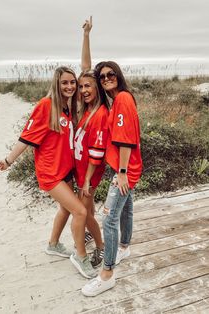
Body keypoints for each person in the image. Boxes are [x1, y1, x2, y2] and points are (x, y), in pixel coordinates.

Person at [0, 66, 97, 279]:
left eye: (72, 83)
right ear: (56, 84)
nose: (70, 87)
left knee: (66, 210)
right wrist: (8, 160)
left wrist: (86, 36)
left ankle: (53, 244)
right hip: (50, 173)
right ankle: (81, 256)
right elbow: (26, 137)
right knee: (80, 211)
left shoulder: (68, 106)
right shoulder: (46, 105)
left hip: (65, 170)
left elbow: (87, 66)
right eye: (64, 83)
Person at [81, 29, 142, 295]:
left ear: (118, 76)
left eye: (110, 74)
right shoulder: (113, 102)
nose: (105, 78)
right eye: (102, 76)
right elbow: (85, 69)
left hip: (123, 169)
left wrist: (123, 172)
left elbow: (126, 139)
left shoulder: (124, 99)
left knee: (109, 219)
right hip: (123, 167)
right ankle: (125, 248)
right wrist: (86, 36)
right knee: (126, 209)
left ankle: (107, 276)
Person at [73, 17, 108, 268]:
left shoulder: (100, 115)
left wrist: (86, 180)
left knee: (84, 212)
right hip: (80, 168)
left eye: (88, 86)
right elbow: (86, 66)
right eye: (81, 86)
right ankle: (91, 232)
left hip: (89, 172)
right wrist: (86, 35)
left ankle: (102, 247)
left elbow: (97, 153)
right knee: (87, 208)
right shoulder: (85, 109)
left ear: (97, 89)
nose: (84, 89)